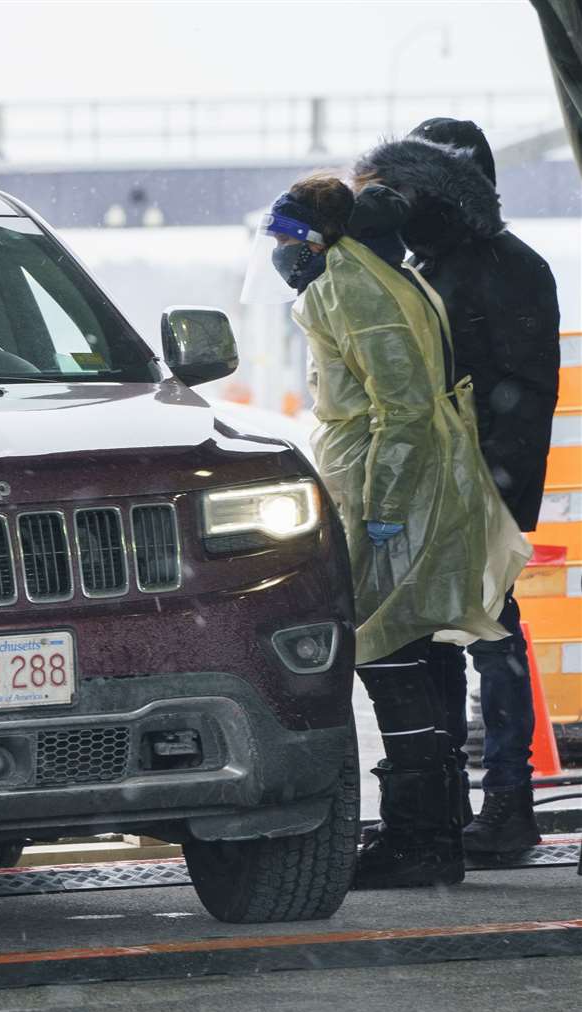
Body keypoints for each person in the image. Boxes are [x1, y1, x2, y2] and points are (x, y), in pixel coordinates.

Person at [244, 175, 529, 889]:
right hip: (407, 477)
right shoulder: (375, 274)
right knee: (410, 650)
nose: (278, 256)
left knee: (385, 652)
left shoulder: (345, 285)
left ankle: (419, 835)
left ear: (314, 239)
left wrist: (382, 508)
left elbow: (397, 409)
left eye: (284, 240)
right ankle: (428, 832)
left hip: (389, 484)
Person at [354, 120, 563, 856]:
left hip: (474, 483)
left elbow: (517, 387)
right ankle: (454, 802)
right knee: (445, 632)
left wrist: (486, 487)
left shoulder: (494, 265)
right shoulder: (443, 262)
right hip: (453, 478)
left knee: (485, 629)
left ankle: (502, 802)